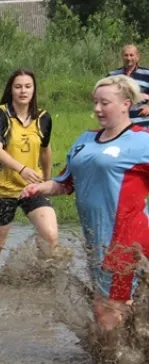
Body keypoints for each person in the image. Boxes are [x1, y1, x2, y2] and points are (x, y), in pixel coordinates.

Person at [21, 74, 149, 342]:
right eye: (95, 103)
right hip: (96, 240)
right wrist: (40, 188)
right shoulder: (85, 140)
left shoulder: (141, 141)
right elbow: (65, 183)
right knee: (110, 304)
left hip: (125, 239)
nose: (98, 109)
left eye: (105, 103)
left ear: (126, 104)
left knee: (107, 310)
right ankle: (131, 353)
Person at [0, 68, 58, 284]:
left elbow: (45, 150)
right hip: (3, 188)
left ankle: (41, 280)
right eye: (18, 86)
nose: (23, 91)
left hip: (33, 188)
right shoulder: (0, 114)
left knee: (50, 236)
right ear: (11, 90)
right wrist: (21, 169)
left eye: (27, 86)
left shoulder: (43, 118)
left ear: (34, 90)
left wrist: (48, 182)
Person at [109, 44, 149, 127]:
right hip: (119, 123)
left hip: (142, 121)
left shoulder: (147, 74)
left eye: (131, 55)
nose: (129, 58)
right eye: (126, 55)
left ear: (137, 57)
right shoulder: (113, 75)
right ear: (122, 57)